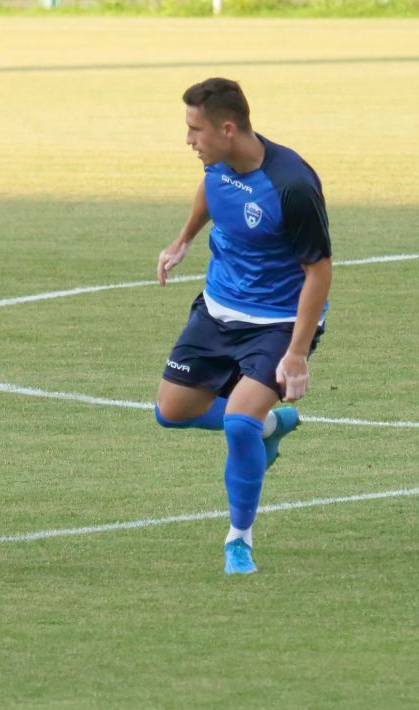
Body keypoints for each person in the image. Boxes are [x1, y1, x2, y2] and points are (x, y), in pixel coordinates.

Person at [155, 78, 332, 576]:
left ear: (227, 128)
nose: (189, 140)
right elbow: (212, 190)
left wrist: (295, 353)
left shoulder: (291, 185)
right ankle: (271, 427)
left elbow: (318, 271)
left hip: (278, 322)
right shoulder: (218, 162)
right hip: (218, 310)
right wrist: (184, 238)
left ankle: (239, 540)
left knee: (237, 422)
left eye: (195, 130)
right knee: (170, 411)